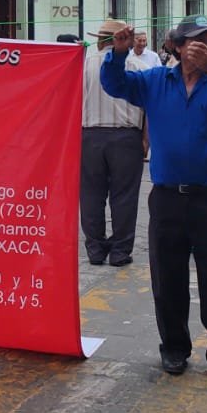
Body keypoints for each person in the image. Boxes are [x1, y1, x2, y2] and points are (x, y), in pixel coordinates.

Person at [101, 16, 207, 382]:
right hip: (168, 198)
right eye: (197, 41)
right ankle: (173, 348)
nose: (205, 46)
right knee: (167, 280)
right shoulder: (155, 81)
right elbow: (115, 83)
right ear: (177, 46)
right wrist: (117, 54)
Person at [79, 20, 146, 266]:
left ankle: (95, 249)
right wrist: (146, 140)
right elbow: (146, 108)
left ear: (100, 40)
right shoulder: (138, 66)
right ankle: (120, 251)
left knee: (90, 195)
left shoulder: (82, 66)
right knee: (125, 196)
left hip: (89, 136)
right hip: (126, 137)